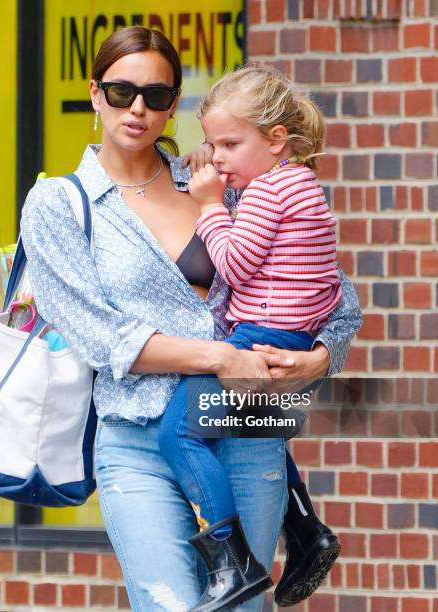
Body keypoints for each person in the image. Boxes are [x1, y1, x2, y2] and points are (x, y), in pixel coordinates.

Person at [20, 26, 362, 612]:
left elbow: (329, 289)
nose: (137, 108)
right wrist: (220, 356)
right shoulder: (61, 204)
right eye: (122, 90)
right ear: (95, 93)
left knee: (241, 607)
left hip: (249, 431)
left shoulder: (218, 183)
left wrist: (317, 358)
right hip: (138, 438)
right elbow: (101, 335)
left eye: (156, 95)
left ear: (173, 104)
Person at [158, 64, 343, 610]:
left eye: (230, 144)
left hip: (258, 334)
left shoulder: (265, 191)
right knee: (258, 426)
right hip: (288, 334)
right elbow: (328, 282)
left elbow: (235, 265)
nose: (218, 158)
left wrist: (209, 205)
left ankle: (229, 564)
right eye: (211, 144)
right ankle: (307, 530)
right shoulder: (305, 183)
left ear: (276, 139)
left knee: (181, 437)